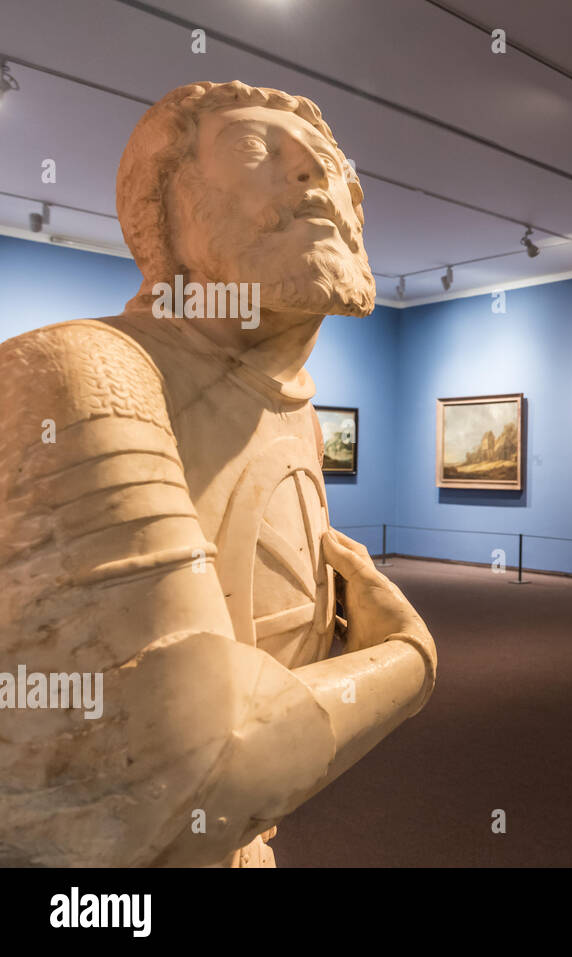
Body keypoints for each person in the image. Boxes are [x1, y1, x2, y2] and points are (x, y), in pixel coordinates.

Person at [0, 82, 437, 867]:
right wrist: (408, 657)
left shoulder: (288, 406)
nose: (316, 172)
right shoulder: (85, 374)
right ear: (163, 216)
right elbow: (194, 763)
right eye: (254, 149)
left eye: (333, 164)